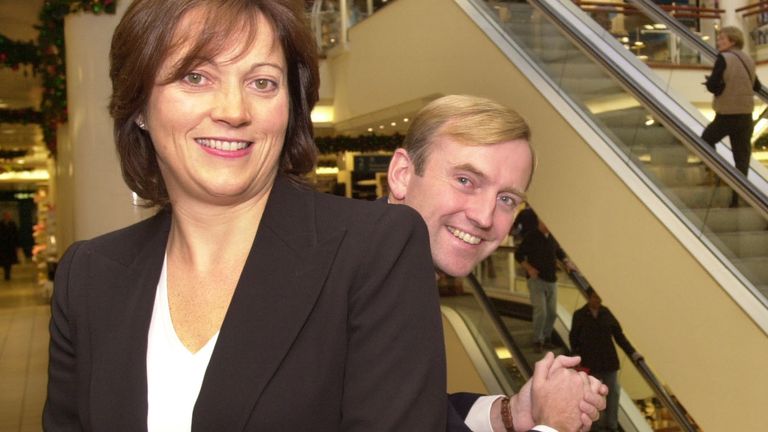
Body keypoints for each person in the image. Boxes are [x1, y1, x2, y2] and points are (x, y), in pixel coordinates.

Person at [43, 1, 447, 430]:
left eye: (262, 82)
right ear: (139, 105)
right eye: (195, 77)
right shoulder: (88, 276)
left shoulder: (375, 251)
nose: (234, 111)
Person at [387, 95, 607, 432]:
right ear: (402, 174)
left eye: (507, 199)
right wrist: (552, 426)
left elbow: (415, 411)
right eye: (465, 181)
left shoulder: (402, 276)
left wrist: (513, 413)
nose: (485, 217)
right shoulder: (344, 286)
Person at [702, 26, 760, 207]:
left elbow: (712, 85)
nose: (718, 42)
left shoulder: (723, 58)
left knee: (706, 140)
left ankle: (718, 172)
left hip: (727, 114)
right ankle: (736, 199)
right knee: (742, 160)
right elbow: (756, 86)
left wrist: (716, 86)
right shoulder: (748, 59)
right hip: (746, 116)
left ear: (732, 41)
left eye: (722, 39)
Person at [570, 288, 643, 432]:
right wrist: (575, 357)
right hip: (590, 363)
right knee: (593, 395)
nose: (597, 300)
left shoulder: (607, 313)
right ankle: (594, 425)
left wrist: (633, 353)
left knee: (613, 392)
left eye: (599, 298)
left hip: (609, 361)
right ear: (588, 297)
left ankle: (612, 425)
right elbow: (574, 338)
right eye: (594, 297)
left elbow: (619, 337)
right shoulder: (579, 315)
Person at [514, 211, 574, 354]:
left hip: (552, 279)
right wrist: (529, 268)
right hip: (536, 280)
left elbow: (559, 252)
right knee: (541, 311)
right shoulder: (531, 236)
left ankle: (547, 338)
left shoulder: (552, 237)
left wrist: (566, 262)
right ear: (540, 221)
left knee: (552, 313)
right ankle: (538, 340)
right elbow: (518, 254)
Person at [0, 211, 19, 281]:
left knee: (9, 261)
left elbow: (16, 235)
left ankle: (8, 273)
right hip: (3, 246)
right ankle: (6, 273)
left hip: (11, 246)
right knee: (4, 260)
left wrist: (17, 245)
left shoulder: (12, 224)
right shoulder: (1, 224)